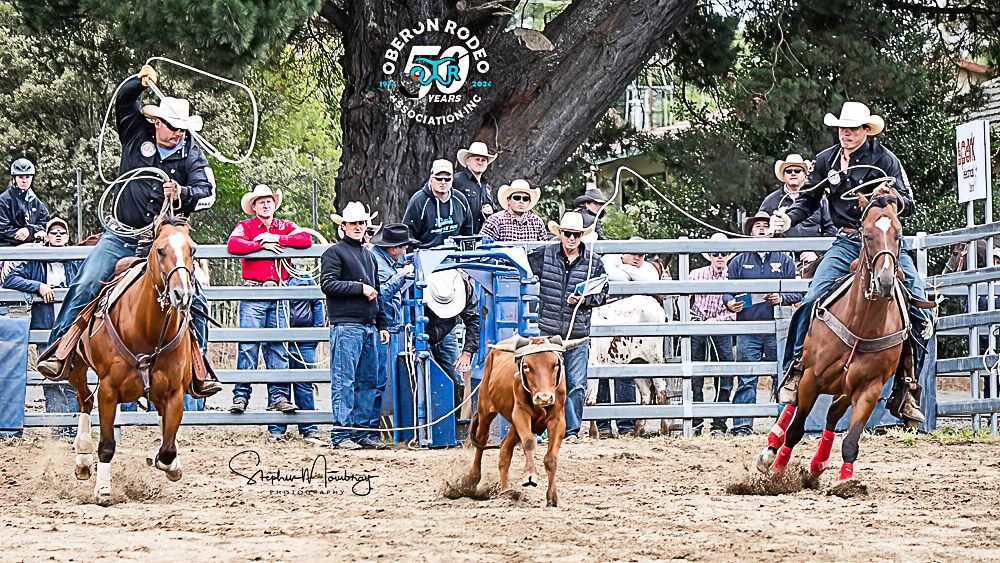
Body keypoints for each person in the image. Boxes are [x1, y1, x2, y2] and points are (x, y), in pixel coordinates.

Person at [37, 64, 221, 398]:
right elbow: (124, 100)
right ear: (157, 122)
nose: (178, 133)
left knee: (196, 297)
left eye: (182, 128)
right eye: (172, 127)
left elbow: (208, 192)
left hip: (163, 240)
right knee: (87, 280)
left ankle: (198, 366)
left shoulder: (191, 153)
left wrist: (182, 192)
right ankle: (58, 350)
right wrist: (139, 82)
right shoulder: (136, 132)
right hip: (123, 234)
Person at [770, 101, 927, 423]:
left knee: (918, 302)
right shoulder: (826, 160)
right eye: (843, 129)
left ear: (865, 131)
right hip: (847, 241)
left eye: (853, 129)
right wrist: (787, 219)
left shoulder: (885, 160)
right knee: (813, 299)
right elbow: (810, 199)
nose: (847, 134)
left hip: (883, 241)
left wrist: (891, 198)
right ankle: (795, 370)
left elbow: (908, 201)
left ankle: (907, 387)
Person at [226, 184, 313, 428]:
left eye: (269, 201)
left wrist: (277, 238)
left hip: (279, 290)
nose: (266, 205)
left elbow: (305, 238)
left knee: (278, 345)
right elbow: (234, 246)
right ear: (253, 207)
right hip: (255, 289)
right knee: (248, 346)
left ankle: (278, 396)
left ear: (274, 204)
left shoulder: (284, 226)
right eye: (261, 201)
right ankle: (241, 396)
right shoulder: (245, 227)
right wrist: (260, 244)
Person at [528, 212, 608, 443]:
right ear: (560, 234)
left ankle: (571, 431)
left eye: (575, 235)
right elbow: (522, 268)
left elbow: (603, 293)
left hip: (577, 333)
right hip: (549, 331)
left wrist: (583, 301)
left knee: (576, 384)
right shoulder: (544, 255)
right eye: (567, 234)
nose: (571, 239)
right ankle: (547, 429)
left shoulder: (594, 262)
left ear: (581, 236)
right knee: (545, 382)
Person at [3, 217, 81, 439]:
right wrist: (38, 286)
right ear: (46, 236)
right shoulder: (36, 261)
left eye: (62, 232)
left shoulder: (75, 262)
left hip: (70, 331)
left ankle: (73, 428)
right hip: (46, 329)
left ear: (67, 238)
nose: (57, 235)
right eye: (53, 231)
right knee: (50, 377)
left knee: (73, 377)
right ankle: (59, 430)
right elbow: (10, 279)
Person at [723, 212, 799, 436]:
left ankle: (782, 426)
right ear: (751, 232)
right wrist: (731, 304)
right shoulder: (738, 260)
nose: (763, 229)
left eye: (766, 226)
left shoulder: (784, 259)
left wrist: (782, 298)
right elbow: (727, 291)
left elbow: (798, 290)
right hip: (749, 327)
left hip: (778, 328)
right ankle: (742, 426)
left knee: (782, 376)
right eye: (758, 226)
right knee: (747, 376)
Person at [321, 201, 389, 450]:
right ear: (344, 226)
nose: (359, 226)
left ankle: (360, 432)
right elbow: (328, 285)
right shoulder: (334, 253)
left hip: (367, 325)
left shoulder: (368, 257)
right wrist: (360, 288)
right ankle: (342, 433)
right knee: (346, 380)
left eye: (362, 223)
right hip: (347, 324)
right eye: (354, 223)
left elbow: (377, 292)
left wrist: (382, 324)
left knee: (366, 381)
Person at [688, 233, 736, 435]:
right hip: (699, 324)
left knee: (725, 375)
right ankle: (696, 421)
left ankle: (719, 423)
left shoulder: (732, 275)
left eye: (723, 253)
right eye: (716, 253)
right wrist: (693, 320)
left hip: (723, 325)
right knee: (695, 374)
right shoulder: (695, 274)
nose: (719, 257)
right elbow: (686, 302)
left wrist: (714, 321)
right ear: (709, 255)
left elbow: (736, 306)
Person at [371, 224, 417, 429]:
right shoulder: (381, 265)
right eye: (404, 247)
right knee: (379, 378)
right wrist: (401, 276)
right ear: (393, 249)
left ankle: (378, 425)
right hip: (384, 325)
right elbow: (380, 295)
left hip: (388, 324)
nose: (406, 251)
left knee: (381, 378)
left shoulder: (383, 260)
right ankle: (374, 425)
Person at [279, 270, 326, 445]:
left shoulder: (303, 277)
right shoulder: (273, 278)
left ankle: (309, 428)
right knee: (278, 382)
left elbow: (317, 302)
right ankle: (277, 430)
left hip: (304, 337)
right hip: (280, 337)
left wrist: (316, 330)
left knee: (305, 383)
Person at [424, 270, 481, 412]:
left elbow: (473, 320)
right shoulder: (420, 281)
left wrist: (467, 352)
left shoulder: (465, 288)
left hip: (446, 331)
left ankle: (453, 421)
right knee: (421, 378)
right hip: (421, 332)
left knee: (456, 379)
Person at [758, 154, 836, 238]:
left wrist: (818, 251)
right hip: (782, 249)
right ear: (784, 175)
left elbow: (830, 228)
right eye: (788, 171)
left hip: (813, 249)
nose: (793, 173)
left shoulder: (820, 199)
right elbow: (759, 228)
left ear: (805, 174)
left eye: (797, 171)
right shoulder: (770, 201)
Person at [402, 159, 474, 248]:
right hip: (426, 255)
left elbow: (467, 231)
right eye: (439, 178)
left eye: (447, 179)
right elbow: (408, 233)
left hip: (455, 255)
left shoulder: (460, 199)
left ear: (452, 180)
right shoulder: (419, 201)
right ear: (431, 178)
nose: (443, 182)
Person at [479, 179, 548, 242]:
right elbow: (482, 248)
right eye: (517, 198)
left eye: (525, 199)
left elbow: (545, 249)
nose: (521, 201)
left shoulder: (537, 222)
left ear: (529, 202)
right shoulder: (495, 220)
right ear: (509, 200)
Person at [453, 142, 497, 233]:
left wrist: (491, 212)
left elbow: (495, 212)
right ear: (468, 161)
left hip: (481, 237)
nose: (480, 162)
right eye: (477, 159)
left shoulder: (486, 186)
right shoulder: (456, 180)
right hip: (460, 236)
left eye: (483, 160)